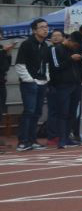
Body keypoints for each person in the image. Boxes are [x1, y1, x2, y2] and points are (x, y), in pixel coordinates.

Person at [14, 19, 50, 151]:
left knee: (37, 112)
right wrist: (29, 80)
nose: (45, 29)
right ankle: (23, 141)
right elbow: (20, 64)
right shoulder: (27, 44)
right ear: (34, 30)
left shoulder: (45, 45)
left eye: (46, 27)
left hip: (42, 82)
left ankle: (32, 139)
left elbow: (46, 64)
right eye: (42, 27)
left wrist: (47, 77)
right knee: (29, 111)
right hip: (29, 83)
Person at [47, 31, 82, 149]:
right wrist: (71, 59)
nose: (75, 47)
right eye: (75, 45)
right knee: (63, 112)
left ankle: (67, 137)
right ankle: (61, 139)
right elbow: (55, 66)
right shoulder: (56, 49)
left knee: (72, 113)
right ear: (70, 40)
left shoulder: (73, 50)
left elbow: (78, 67)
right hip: (62, 86)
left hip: (76, 84)